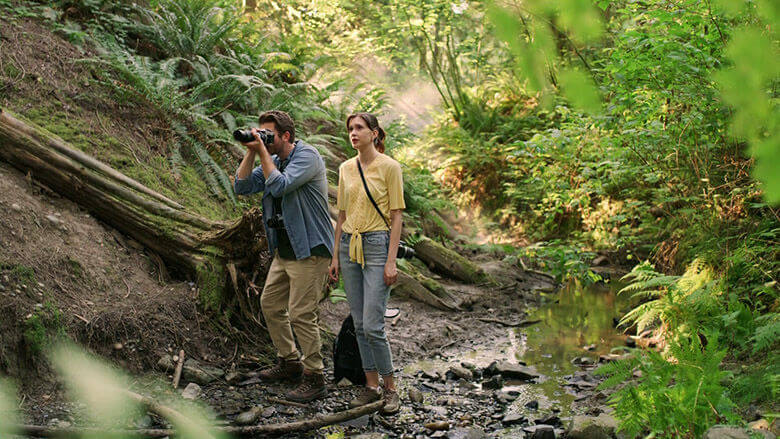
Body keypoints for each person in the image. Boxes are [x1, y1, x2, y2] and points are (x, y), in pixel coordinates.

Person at [233, 110, 334, 403]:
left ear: (286, 136)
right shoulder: (274, 159)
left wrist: (262, 152)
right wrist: (251, 151)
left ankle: (315, 377)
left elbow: (279, 185)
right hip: (285, 249)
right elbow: (241, 186)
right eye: (262, 134)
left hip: (310, 248)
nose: (264, 139)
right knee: (270, 304)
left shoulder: (307, 156)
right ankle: (289, 362)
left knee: (301, 313)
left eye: (269, 135)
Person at [328, 112, 405, 415]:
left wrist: (391, 261)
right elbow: (341, 215)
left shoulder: (390, 167)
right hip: (349, 245)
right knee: (359, 324)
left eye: (359, 128)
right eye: (350, 128)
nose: (353, 132)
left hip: (376, 246)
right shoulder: (345, 168)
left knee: (373, 325)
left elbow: (396, 216)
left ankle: (391, 389)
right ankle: (371, 387)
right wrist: (335, 255)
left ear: (374, 133)